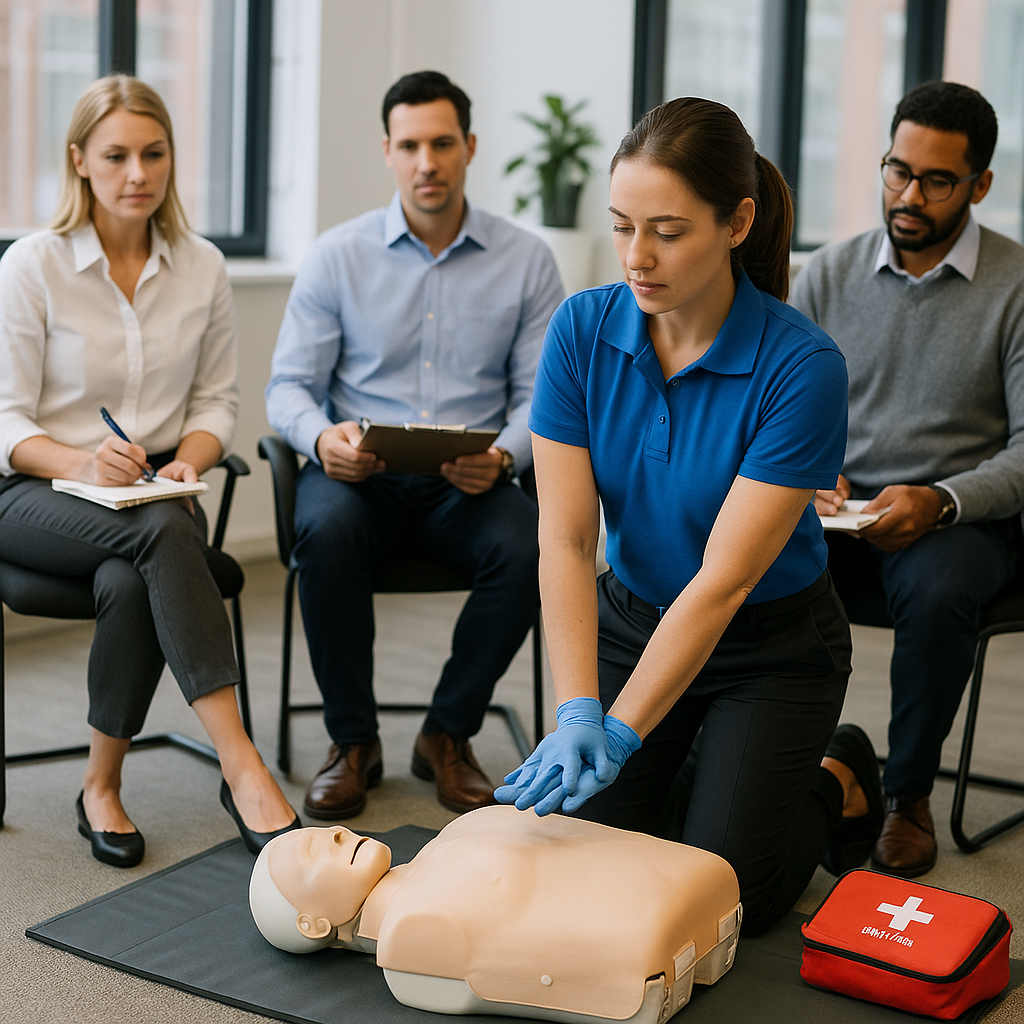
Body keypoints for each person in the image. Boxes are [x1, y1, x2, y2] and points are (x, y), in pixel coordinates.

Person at [494, 97, 884, 937]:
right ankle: (700, 773)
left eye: (668, 231)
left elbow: (724, 580)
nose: (637, 256)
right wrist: (578, 715)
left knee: (718, 902)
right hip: (631, 617)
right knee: (583, 869)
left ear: (738, 221)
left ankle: (838, 774)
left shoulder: (802, 367)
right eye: (622, 225)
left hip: (769, 646)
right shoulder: (580, 330)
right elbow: (563, 540)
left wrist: (626, 732)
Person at [0, 75, 299, 867]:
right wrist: (82, 461)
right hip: (33, 491)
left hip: (154, 495)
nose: (139, 172)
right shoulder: (34, 265)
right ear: (79, 162)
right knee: (162, 532)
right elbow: (4, 421)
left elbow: (216, 403)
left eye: (154, 153)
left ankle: (100, 785)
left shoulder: (200, 267)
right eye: (117, 155)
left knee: (137, 567)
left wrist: (183, 465)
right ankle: (242, 763)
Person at [265, 71, 563, 820]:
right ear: (388, 153)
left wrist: (504, 459)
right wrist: (320, 437)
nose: (426, 162)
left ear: (469, 147)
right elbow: (288, 388)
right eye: (409, 146)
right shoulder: (337, 255)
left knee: (532, 544)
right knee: (324, 532)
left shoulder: (526, 260)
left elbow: (548, 400)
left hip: (468, 479)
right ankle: (352, 742)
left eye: (441, 143)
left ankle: (447, 732)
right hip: (357, 476)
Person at [790, 81, 1024, 878]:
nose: (908, 195)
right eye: (897, 171)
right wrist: (811, 469)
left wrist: (942, 499)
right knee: (737, 550)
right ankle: (778, 764)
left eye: (936, 180)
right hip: (841, 510)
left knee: (938, 589)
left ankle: (907, 796)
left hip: (957, 520)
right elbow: (778, 408)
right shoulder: (827, 272)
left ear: (980, 185)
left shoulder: (1017, 286)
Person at [249, 805, 742, 1023]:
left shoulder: (465, 828)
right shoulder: (413, 932)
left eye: (323, 830)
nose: (335, 832)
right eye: (313, 852)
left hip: (682, 887)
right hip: (654, 932)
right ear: (312, 924)